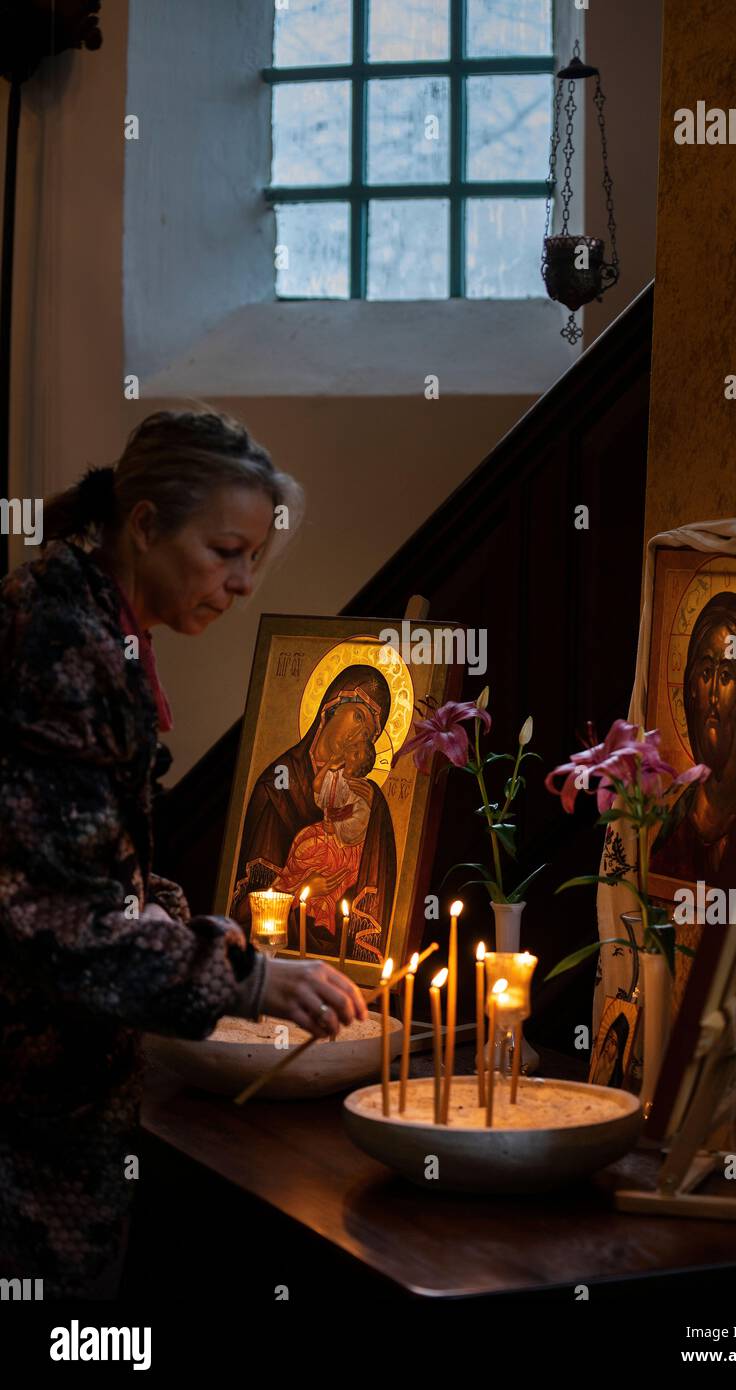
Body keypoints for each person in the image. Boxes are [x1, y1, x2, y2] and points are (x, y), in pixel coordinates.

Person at [0, 409, 368, 1299]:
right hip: (26, 1096)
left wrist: (201, 935)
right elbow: (59, 918)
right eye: (226, 551)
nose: (242, 583)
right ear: (146, 525)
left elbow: (105, 867)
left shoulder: (90, 617)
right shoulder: (60, 644)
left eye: (254, 560)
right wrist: (242, 977)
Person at [233, 666, 397, 962]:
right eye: (358, 716)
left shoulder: (368, 797)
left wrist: (374, 814)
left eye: (371, 735)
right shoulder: (278, 784)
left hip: (337, 962)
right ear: (330, 708)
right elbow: (247, 908)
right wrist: (301, 889)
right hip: (272, 958)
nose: (360, 735)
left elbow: (373, 904)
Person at [651, 590, 736, 881]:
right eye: (705, 673)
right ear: (691, 688)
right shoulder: (671, 829)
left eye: (726, 676)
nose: (712, 694)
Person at [272, 737, 377, 936]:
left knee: (310, 849)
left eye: (357, 753)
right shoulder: (336, 776)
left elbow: (360, 822)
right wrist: (330, 764)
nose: (351, 747)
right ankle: (287, 892)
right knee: (302, 839)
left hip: (346, 845)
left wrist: (336, 828)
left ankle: (311, 905)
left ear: (362, 766)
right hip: (329, 831)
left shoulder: (360, 788)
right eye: (353, 745)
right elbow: (318, 791)